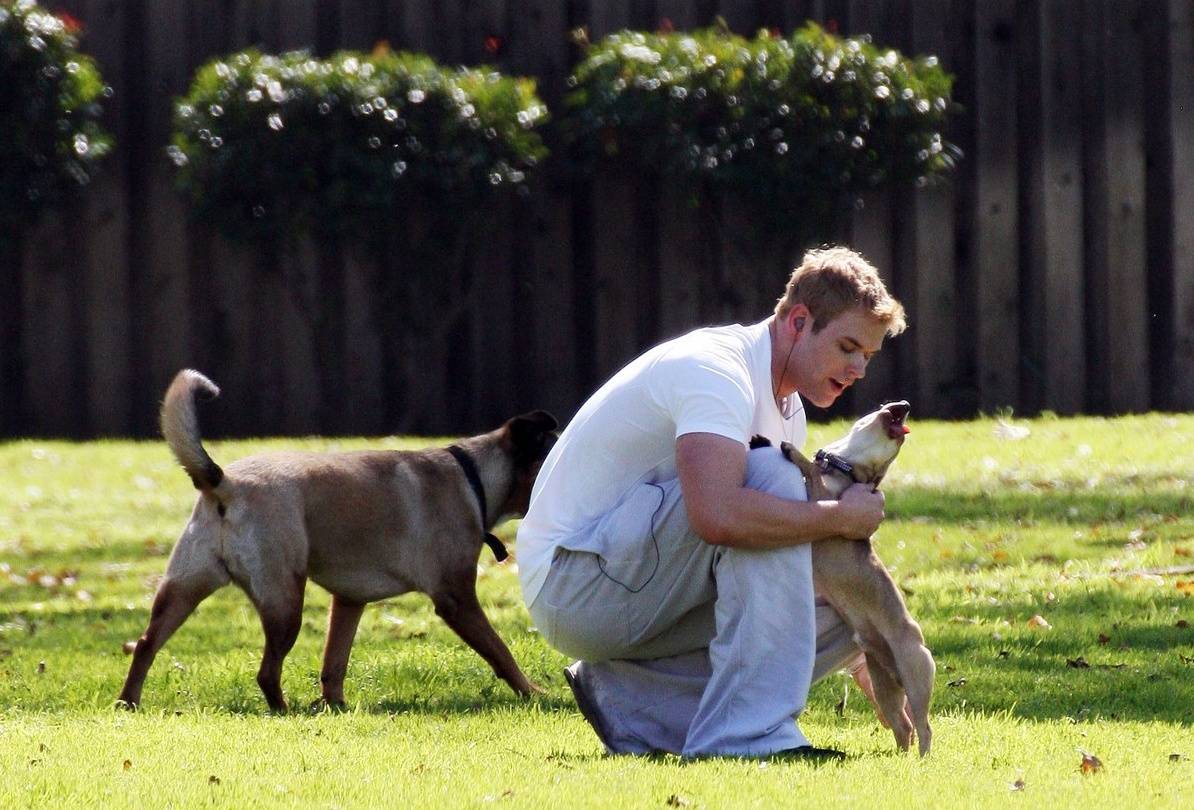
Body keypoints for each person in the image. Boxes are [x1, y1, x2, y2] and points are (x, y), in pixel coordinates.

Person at [517, 246, 907, 758]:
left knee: (855, 611)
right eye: (848, 347)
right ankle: (748, 739)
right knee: (771, 475)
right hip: (574, 586)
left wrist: (860, 656)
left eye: (868, 356)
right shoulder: (717, 371)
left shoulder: (787, 410)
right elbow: (716, 513)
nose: (858, 368)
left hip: (635, 587)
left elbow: (781, 553)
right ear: (797, 320)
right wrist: (839, 518)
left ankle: (631, 705)